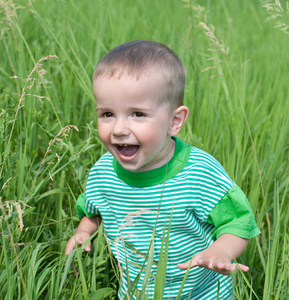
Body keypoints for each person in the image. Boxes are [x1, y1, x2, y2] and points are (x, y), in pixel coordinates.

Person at [65, 40, 260, 299]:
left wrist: (221, 251)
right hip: (136, 292)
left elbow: (238, 221)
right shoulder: (103, 174)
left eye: (137, 114)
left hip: (201, 292)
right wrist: (83, 233)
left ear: (174, 121)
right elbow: (94, 212)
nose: (119, 129)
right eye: (108, 114)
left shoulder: (198, 173)